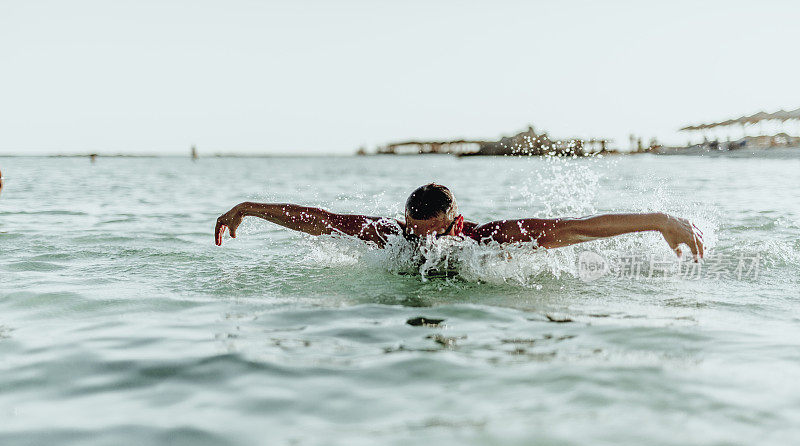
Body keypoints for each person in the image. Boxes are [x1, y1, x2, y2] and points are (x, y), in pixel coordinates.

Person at [214, 183, 704, 260]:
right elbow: (319, 220)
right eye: (414, 233)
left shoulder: (488, 241)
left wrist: (659, 221)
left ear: (456, 223)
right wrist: (249, 208)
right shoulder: (391, 238)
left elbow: (576, 227)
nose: (422, 245)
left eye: (434, 234)